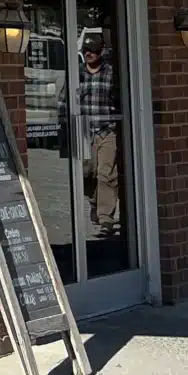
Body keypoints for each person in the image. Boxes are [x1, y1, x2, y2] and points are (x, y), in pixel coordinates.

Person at [78, 32, 121, 232]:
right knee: (88, 173)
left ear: (100, 51)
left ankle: (106, 217)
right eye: (86, 50)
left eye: (93, 50)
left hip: (106, 130)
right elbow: (64, 99)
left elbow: (120, 99)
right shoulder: (77, 73)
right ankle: (94, 203)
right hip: (85, 132)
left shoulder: (110, 73)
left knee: (106, 174)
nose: (89, 54)